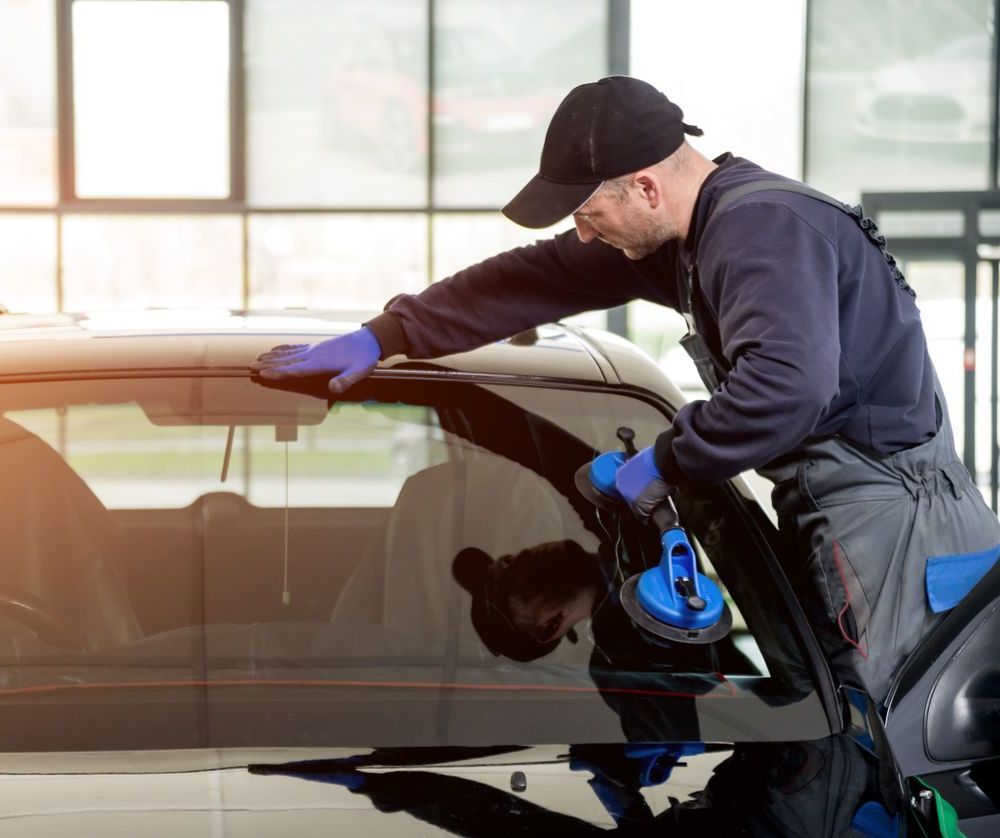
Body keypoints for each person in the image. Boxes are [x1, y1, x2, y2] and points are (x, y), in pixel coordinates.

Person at [252, 75, 1000, 705]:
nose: (582, 233)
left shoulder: (759, 229)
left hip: (903, 534)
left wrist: (663, 465)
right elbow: (538, 278)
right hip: (851, 518)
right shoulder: (688, 239)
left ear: (643, 186)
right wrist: (389, 334)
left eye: (587, 213)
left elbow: (786, 389)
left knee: (890, 754)